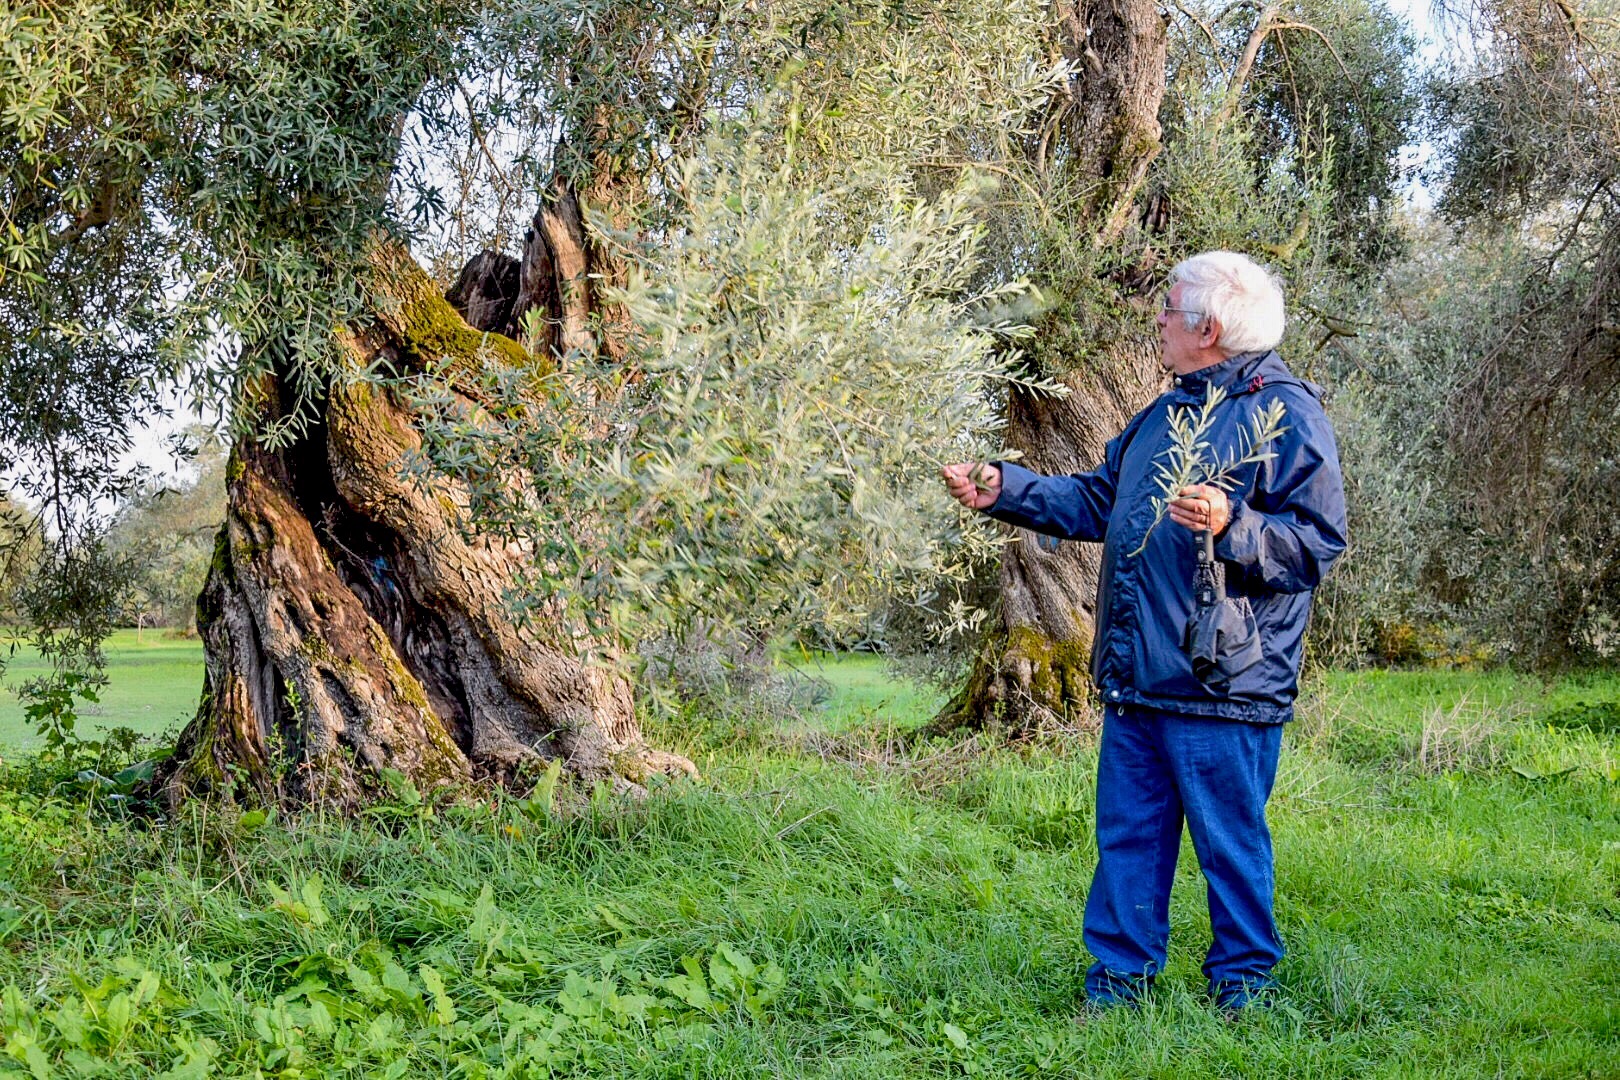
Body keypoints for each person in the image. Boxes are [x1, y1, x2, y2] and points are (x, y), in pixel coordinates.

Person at [942, 251, 1348, 1013]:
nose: (1157, 320)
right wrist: (1006, 487)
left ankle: (1243, 989)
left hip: (1224, 682)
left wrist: (1236, 526)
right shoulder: (1166, 416)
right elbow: (1100, 500)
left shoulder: (1289, 413)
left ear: (1209, 327)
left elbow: (1316, 546)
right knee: (1127, 843)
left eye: (1168, 308)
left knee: (1230, 849)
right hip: (1136, 677)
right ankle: (1117, 987)